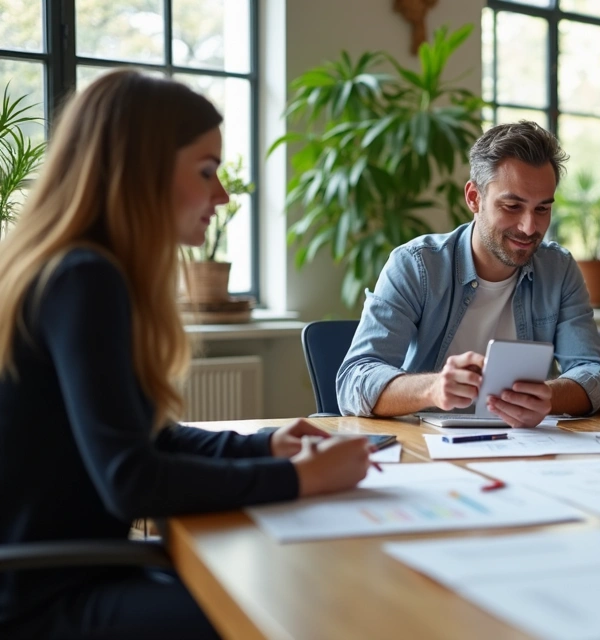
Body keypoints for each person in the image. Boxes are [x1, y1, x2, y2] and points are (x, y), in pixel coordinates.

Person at [0, 70, 373, 639]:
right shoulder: (84, 278)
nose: (221, 196)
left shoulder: (77, 269)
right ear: (140, 171)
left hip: (64, 575)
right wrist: (299, 479)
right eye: (206, 171)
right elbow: (132, 479)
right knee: (301, 608)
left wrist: (266, 446)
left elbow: (144, 436)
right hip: (45, 601)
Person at [336, 121, 600, 426]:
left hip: (522, 449)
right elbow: (354, 380)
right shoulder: (416, 266)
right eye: (511, 206)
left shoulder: (558, 270)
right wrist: (432, 388)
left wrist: (549, 397)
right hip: (425, 448)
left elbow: (596, 375)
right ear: (473, 198)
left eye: (542, 209)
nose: (529, 227)